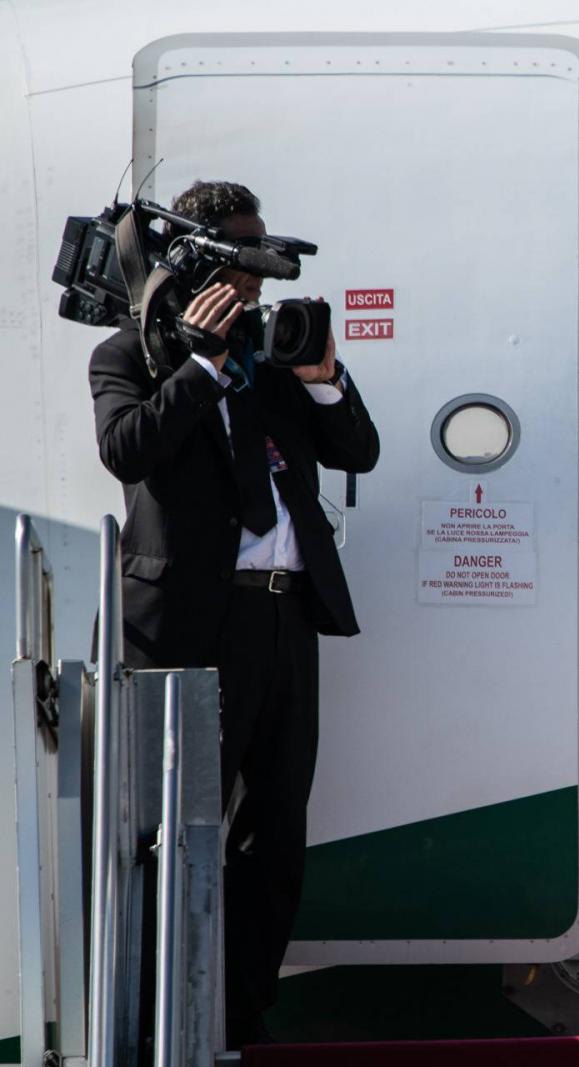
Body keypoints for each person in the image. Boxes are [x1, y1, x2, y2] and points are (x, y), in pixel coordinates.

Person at [88, 180, 380, 1047]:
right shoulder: (128, 354)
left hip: (285, 622)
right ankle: (156, 1025)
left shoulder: (276, 348)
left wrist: (323, 378)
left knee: (273, 834)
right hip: (185, 628)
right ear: (195, 255)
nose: (256, 272)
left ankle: (239, 1020)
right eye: (240, 250)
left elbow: (357, 447)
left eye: (261, 248)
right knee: (171, 834)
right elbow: (126, 448)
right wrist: (202, 365)